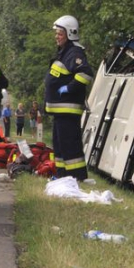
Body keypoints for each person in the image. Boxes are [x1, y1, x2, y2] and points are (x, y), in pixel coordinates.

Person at [44, 15, 93, 181]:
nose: (56, 36)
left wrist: (68, 89)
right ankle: (62, 176)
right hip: (60, 111)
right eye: (56, 33)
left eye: (60, 33)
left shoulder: (74, 53)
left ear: (70, 33)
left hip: (68, 110)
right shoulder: (64, 53)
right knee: (59, 146)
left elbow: (85, 74)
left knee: (70, 146)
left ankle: (76, 177)